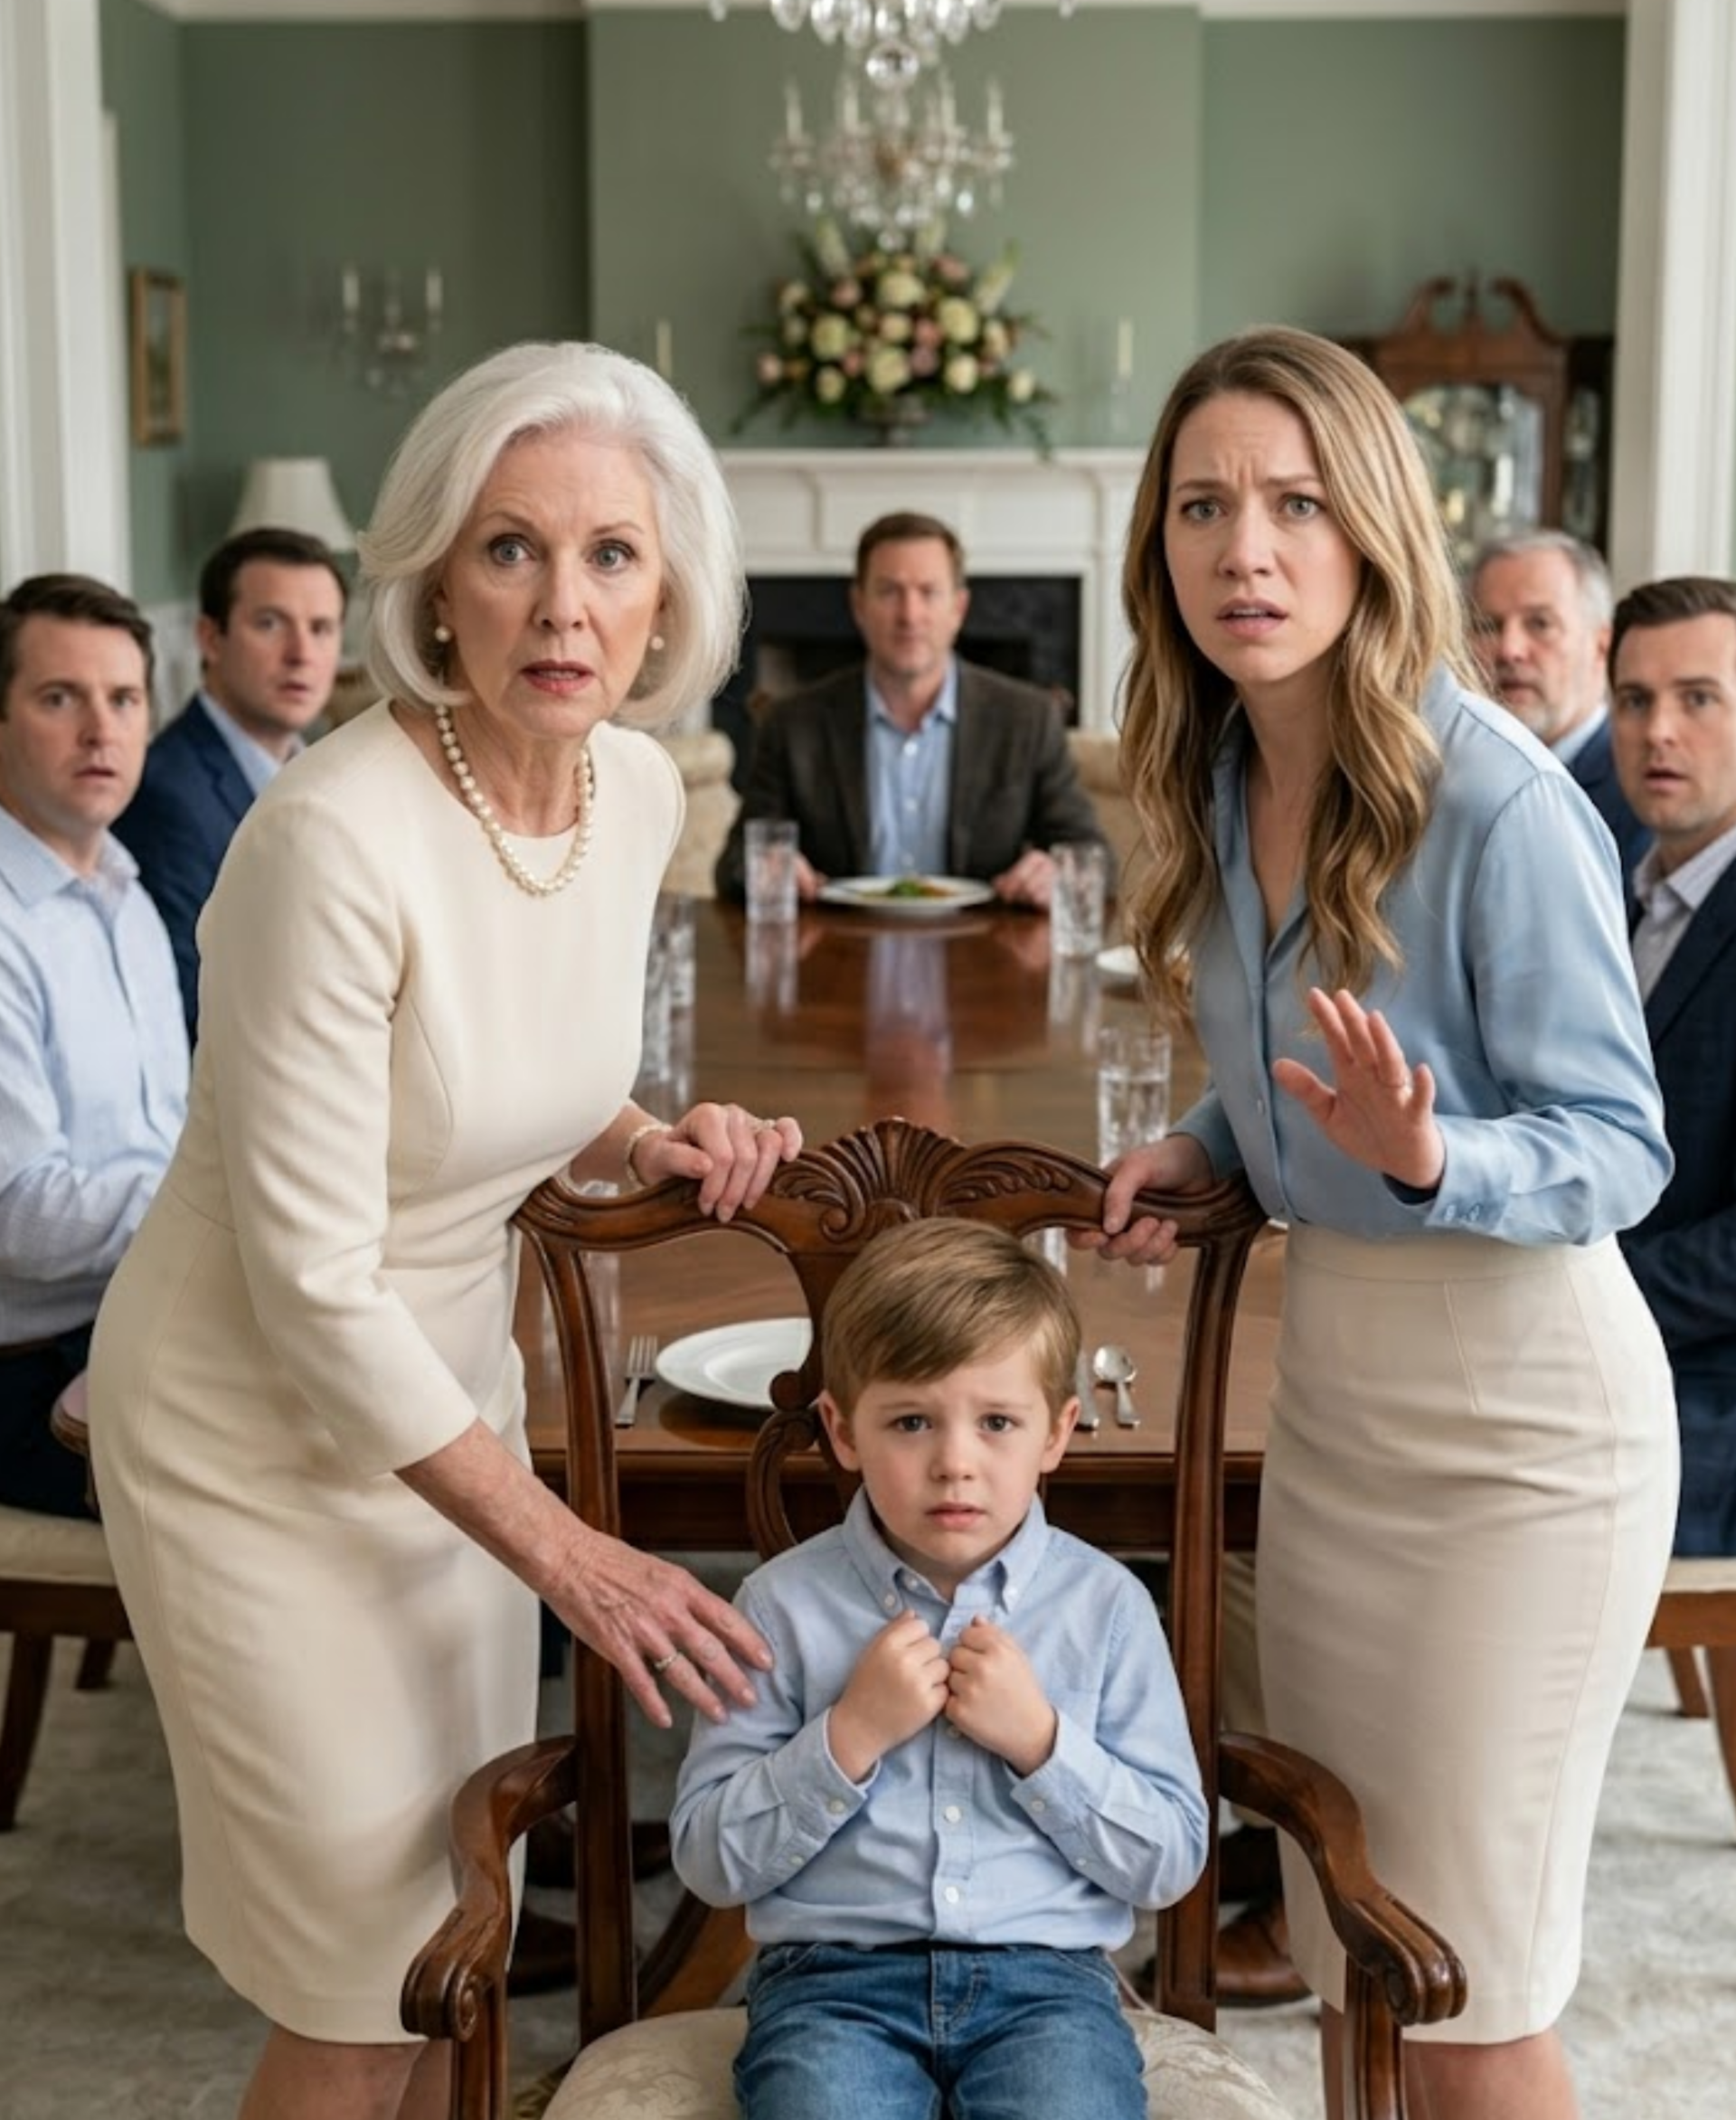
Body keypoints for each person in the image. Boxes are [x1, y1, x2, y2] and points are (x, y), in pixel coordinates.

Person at [88, 342, 803, 2120]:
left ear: (671, 592)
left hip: (445, 1412)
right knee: (354, 1976)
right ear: (430, 577)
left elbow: (518, 1062)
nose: (562, 603)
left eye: (611, 554)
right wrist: (568, 1546)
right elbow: (312, 1282)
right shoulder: (326, 839)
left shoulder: (635, 792)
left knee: (450, 1933)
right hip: (260, 1421)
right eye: (508, 548)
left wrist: (656, 1122)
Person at [1085, 326, 1677, 2120]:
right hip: (1336, 1415)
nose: (1244, 550)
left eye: (1294, 502)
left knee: (1468, 1971)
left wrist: (1434, 1165)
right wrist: (1218, 1144)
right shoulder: (1209, 772)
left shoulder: (1496, 796)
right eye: (1203, 507)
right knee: (1358, 1935)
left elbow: (1618, 1144)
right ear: (1159, 548)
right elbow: (1308, 1078)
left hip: (1523, 1434)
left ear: (1372, 533)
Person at [671, 1216, 1207, 2120]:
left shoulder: (1107, 1608)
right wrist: (845, 1740)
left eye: (998, 1422)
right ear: (843, 1430)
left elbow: (1171, 1860)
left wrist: (1042, 1744)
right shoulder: (776, 1607)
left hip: (1049, 1987)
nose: (956, 1462)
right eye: (912, 1421)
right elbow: (706, 1859)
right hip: (831, 1985)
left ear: (1057, 1433)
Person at [0, 574, 188, 1516]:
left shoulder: (127, 891)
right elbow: (18, 1215)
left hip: (151, 1321)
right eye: (58, 698)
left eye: (122, 699)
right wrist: (221, 1198)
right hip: (29, 1382)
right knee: (335, 1499)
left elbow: (178, 1128)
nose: (100, 731)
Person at [715, 510, 1107, 910]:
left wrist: (1057, 873)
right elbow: (734, 864)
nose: (909, 615)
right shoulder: (793, 723)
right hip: (838, 953)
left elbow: (1093, 856)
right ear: (858, 606)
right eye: (888, 591)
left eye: (928, 592)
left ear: (958, 607)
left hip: (983, 952)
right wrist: (764, 867)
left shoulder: (1028, 718)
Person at [1609, 575, 1736, 1555]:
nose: (1660, 731)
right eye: (1635, 699)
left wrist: (1585, 1299)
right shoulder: (1617, 883)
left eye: (1699, 698)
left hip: (1707, 1386)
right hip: (1602, 1341)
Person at [115, 523, 348, 1036]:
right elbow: (191, 1008)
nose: (301, 654)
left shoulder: (328, 775)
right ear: (210, 638)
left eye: (322, 628)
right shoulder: (165, 794)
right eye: (270, 624)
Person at [1467, 527, 1648, 881]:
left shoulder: (1641, 796)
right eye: (1489, 626)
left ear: (1601, 645)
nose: (1509, 649)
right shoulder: (1452, 778)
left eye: (1540, 624)